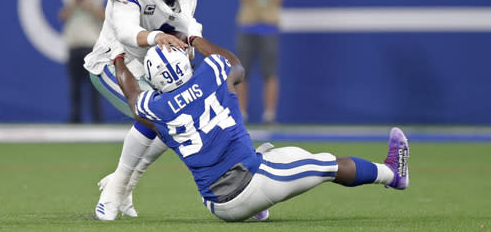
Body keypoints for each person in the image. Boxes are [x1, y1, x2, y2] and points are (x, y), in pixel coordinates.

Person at [109, 35, 410, 222]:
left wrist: (118, 57)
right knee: (328, 164)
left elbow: (134, 98)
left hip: (214, 203)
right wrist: (193, 39)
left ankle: (258, 209)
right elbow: (235, 65)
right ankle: (392, 174)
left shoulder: (155, 108)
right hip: (249, 184)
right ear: (185, 64)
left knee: (287, 154)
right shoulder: (211, 74)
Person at [84, 0, 203, 220]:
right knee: (153, 117)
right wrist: (157, 38)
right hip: (114, 63)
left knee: (175, 118)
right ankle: (117, 188)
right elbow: (125, 32)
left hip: (154, 69)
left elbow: (187, 25)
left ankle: (121, 183)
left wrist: (190, 45)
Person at [235, 0, 290, 124]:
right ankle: (241, 112)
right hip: (248, 25)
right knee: (242, 73)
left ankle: (269, 114)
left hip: (269, 27)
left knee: (270, 73)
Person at [59, 0, 105, 124]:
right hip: (74, 46)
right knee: (75, 86)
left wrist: (90, 6)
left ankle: (97, 120)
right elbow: (62, 16)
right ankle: (75, 119)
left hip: (92, 47)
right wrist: (75, 4)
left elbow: (106, 17)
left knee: (95, 87)